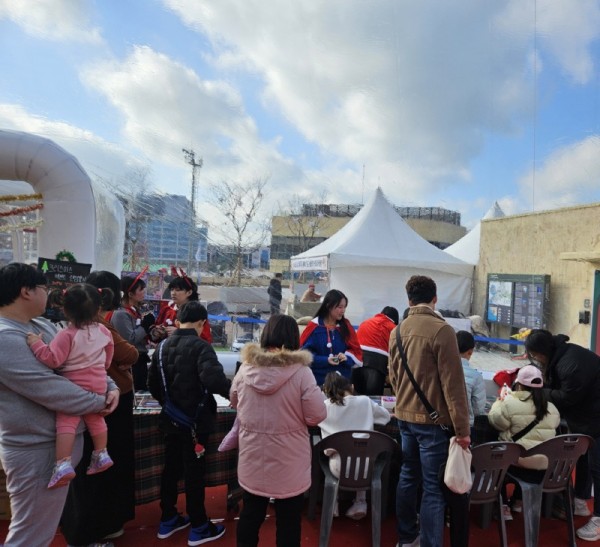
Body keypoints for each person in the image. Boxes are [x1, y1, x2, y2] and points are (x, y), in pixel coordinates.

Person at [0, 263, 119, 547]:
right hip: (36, 449)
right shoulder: (5, 337)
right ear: (26, 291)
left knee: (41, 529)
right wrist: (101, 398)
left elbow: (83, 362)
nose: (49, 295)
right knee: (31, 534)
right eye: (45, 288)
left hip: (54, 445)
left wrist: (111, 386)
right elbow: (52, 389)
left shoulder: (38, 325)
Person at [230, 314, 326, 547]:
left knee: (251, 514)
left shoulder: (245, 369)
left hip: (253, 455)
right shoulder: (301, 372)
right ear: (294, 337)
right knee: (289, 519)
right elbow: (317, 415)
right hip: (289, 459)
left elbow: (234, 400)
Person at [388, 275, 470, 547]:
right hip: (434, 423)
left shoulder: (396, 331)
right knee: (433, 488)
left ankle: (406, 537)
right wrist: (462, 430)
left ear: (408, 299)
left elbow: (394, 377)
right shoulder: (442, 330)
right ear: (435, 298)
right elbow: (453, 385)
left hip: (404, 417)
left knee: (408, 476)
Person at [61, 270, 139, 547]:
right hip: (106, 403)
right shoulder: (101, 326)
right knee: (100, 464)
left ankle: (84, 526)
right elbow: (127, 354)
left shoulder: (65, 329)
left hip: (80, 402)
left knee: (84, 464)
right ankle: (93, 528)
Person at [148, 301, 231, 546]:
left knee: (171, 468)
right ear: (201, 322)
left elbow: (154, 385)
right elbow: (214, 380)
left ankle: (168, 518)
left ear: (178, 320)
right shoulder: (202, 347)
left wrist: (170, 405)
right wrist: (235, 394)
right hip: (196, 423)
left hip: (170, 419)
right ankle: (199, 526)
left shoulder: (162, 347)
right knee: (194, 474)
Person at [26, 284, 115, 489]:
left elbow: (53, 359)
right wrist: (102, 369)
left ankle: (63, 464)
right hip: (99, 381)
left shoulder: (67, 334)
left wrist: (35, 344)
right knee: (96, 417)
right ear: (98, 308)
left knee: (66, 422)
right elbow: (108, 356)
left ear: (65, 310)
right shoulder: (104, 330)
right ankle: (101, 452)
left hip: (75, 384)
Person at [525, 329, 600, 541]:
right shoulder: (562, 355)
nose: (535, 360)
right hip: (586, 417)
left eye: (534, 355)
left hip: (595, 416)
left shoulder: (570, 365)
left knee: (597, 466)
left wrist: (539, 392)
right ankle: (581, 501)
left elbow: (567, 398)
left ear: (540, 352)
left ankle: (599, 520)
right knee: (584, 458)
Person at [488, 364, 560, 519]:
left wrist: (499, 401)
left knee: (499, 455)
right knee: (528, 450)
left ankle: (503, 505)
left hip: (519, 465)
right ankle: (519, 501)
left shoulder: (509, 403)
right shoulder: (552, 408)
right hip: (546, 467)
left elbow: (496, 422)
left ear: (518, 384)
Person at [319, 371, 391, 520]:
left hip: (338, 467)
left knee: (338, 452)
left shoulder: (325, 406)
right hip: (367, 468)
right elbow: (385, 417)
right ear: (351, 387)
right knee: (363, 450)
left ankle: (334, 502)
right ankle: (360, 502)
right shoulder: (365, 401)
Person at [299, 289, 363, 386]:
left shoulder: (346, 326)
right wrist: (325, 360)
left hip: (342, 382)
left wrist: (347, 357)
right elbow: (305, 354)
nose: (343, 310)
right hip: (319, 382)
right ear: (328, 306)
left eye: (344, 307)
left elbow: (356, 350)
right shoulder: (314, 327)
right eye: (339, 307)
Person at [111, 274, 155, 391]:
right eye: (140, 289)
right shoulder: (121, 314)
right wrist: (145, 327)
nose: (144, 292)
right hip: (131, 363)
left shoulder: (134, 311)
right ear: (130, 294)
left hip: (140, 359)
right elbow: (129, 339)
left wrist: (154, 331)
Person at [152, 271, 213, 344]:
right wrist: (157, 332)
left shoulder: (197, 312)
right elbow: (155, 338)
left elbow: (205, 340)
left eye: (178, 290)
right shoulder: (166, 310)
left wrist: (179, 333)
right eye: (172, 289)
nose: (173, 293)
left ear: (189, 292)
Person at [355, 306, 399, 395]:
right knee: (374, 400)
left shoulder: (365, 323)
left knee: (358, 397)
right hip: (378, 365)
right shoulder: (394, 328)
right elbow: (396, 354)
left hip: (358, 362)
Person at [456, 330, 486, 431]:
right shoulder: (476, 376)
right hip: (465, 428)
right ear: (470, 351)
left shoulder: (440, 370)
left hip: (439, 425)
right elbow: (478, 409)